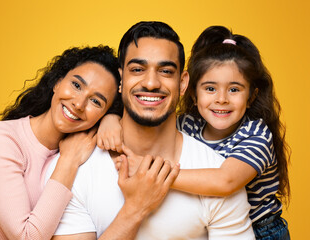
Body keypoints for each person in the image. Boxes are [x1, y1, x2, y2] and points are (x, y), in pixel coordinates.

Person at [45, 21, 254, 239]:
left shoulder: (215, 176)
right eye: (137, 69)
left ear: (183, 84)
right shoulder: (72, 170)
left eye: (165, 71)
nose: (152, 83)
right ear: (121, 79)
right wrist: (137, 207)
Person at [98, 26, 291, 239]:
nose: (222, 99)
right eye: (210, 89)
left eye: (234, 90)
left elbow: (225, 181)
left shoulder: (256, 136)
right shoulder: (189, 124)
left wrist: (152, 172)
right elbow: (149, 119)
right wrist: (110, 119)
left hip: (264, 229)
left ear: (251, 96)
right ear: (192, 91)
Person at [0, 46, 125, 239]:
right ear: (57, 82)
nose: (79, 104)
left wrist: (112, 119)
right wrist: (69, 160)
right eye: (76, 85)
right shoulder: (0, 139)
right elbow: (27, 236)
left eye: (96, 102)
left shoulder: (85, 148)